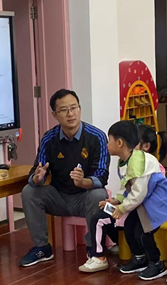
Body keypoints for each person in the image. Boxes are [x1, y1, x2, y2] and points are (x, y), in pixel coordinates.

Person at [19, 89, 109, 267]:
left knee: (98, 194)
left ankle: (94, 249)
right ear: (55, 114)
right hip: (59, 198)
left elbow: (102, 176)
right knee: (29, 191)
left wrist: (82, 182)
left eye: (74, 108)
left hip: (85, 197)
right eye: (64, 110)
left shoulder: (96, 136)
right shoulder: (49, 138)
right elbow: (36, 171)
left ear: (79, 109)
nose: (70, 114)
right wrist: (37, 178)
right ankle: (42, 248)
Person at [85, 121, 167, 280]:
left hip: (156, 204)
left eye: (109, 140)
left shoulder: (138, 161)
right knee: (129, 228)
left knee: (142, 233)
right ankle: (139, 258)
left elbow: (139, 193)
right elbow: (126, 185)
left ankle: (156, 263)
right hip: (142, 204)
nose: (107, 144)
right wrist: (116, 200)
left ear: (120, 143)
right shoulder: (125, 160)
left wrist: (122, 208)